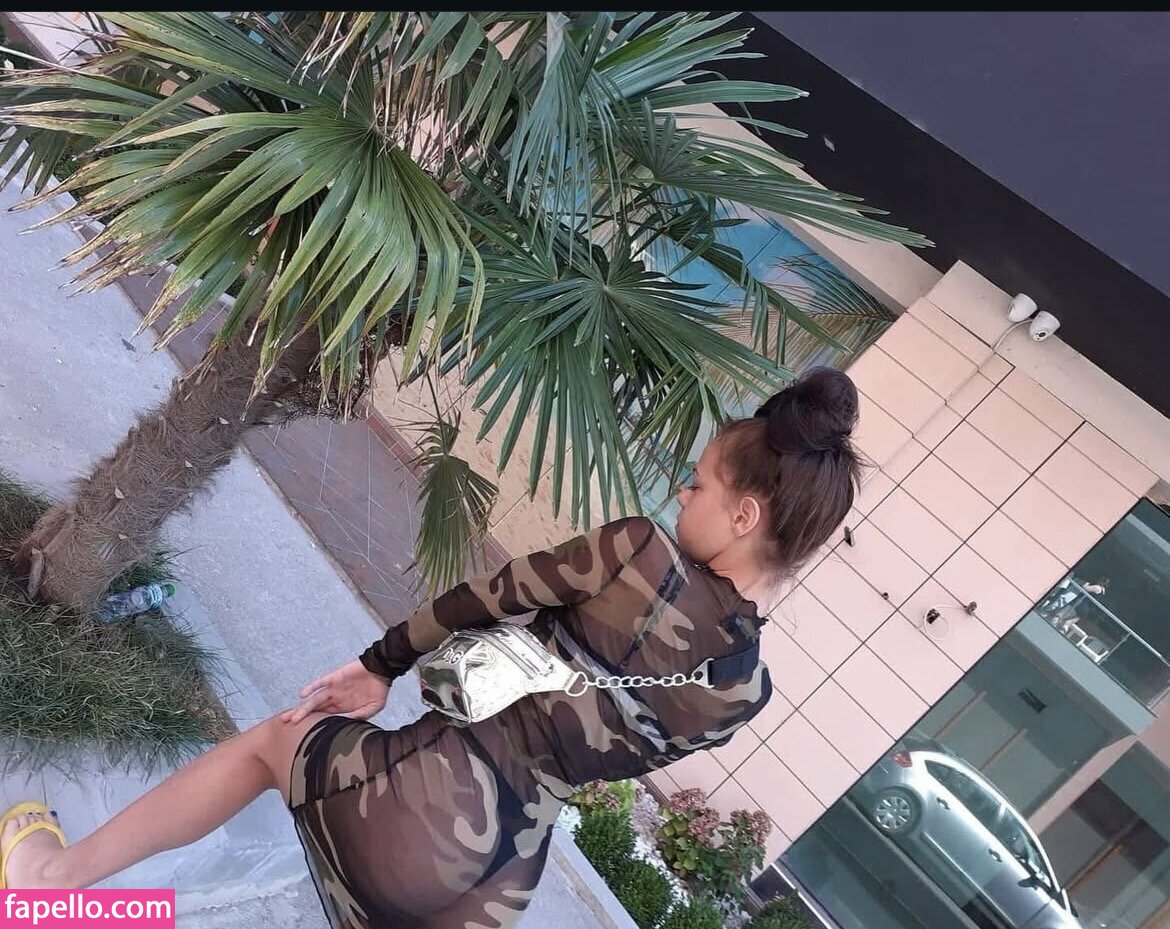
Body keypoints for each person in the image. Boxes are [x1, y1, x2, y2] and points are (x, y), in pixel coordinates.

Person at [0, 367, 863, 928]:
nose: (682, 492)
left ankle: (53, 883)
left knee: (273, 744)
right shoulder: (744, 692)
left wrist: (379, 665)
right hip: (496, 890)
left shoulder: (639, 552)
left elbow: (485, 596)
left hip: (419, 807)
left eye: (699, 483)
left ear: (744, 514)